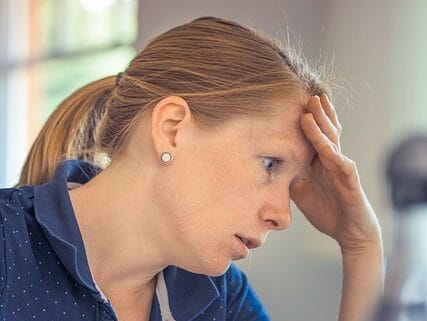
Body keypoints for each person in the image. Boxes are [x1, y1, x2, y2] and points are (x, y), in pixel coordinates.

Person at [0, 16, 383, 321]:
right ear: (172, 129)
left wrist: (361, 246)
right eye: (270, 164)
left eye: (293, 184)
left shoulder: (220, 299)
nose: (283, 217)